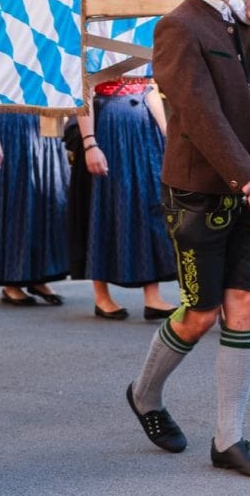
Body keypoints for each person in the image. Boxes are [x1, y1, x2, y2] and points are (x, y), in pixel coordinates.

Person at [126, 0, 250, 478]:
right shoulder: (178, 26)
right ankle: (145, 394)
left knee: (244, 307)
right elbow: (199, 116)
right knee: (200, 312)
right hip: (201, 191)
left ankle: (229, 439)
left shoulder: (245, 23)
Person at [69, 77, 176, 321]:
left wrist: (167, 134)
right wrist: (89, 143)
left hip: (143, 125)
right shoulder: (93, 42)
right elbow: (83, 89)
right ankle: (101, 295)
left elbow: (149, 88)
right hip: (107, 123)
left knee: (150, 206)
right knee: (104, 205)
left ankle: (152, 296)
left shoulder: (141, 40)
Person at [0, 112, 68, 305]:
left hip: (44, 123)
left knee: (45, 203)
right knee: (15, 203)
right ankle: (11, 281)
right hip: (10, 127)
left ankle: (40, 277)